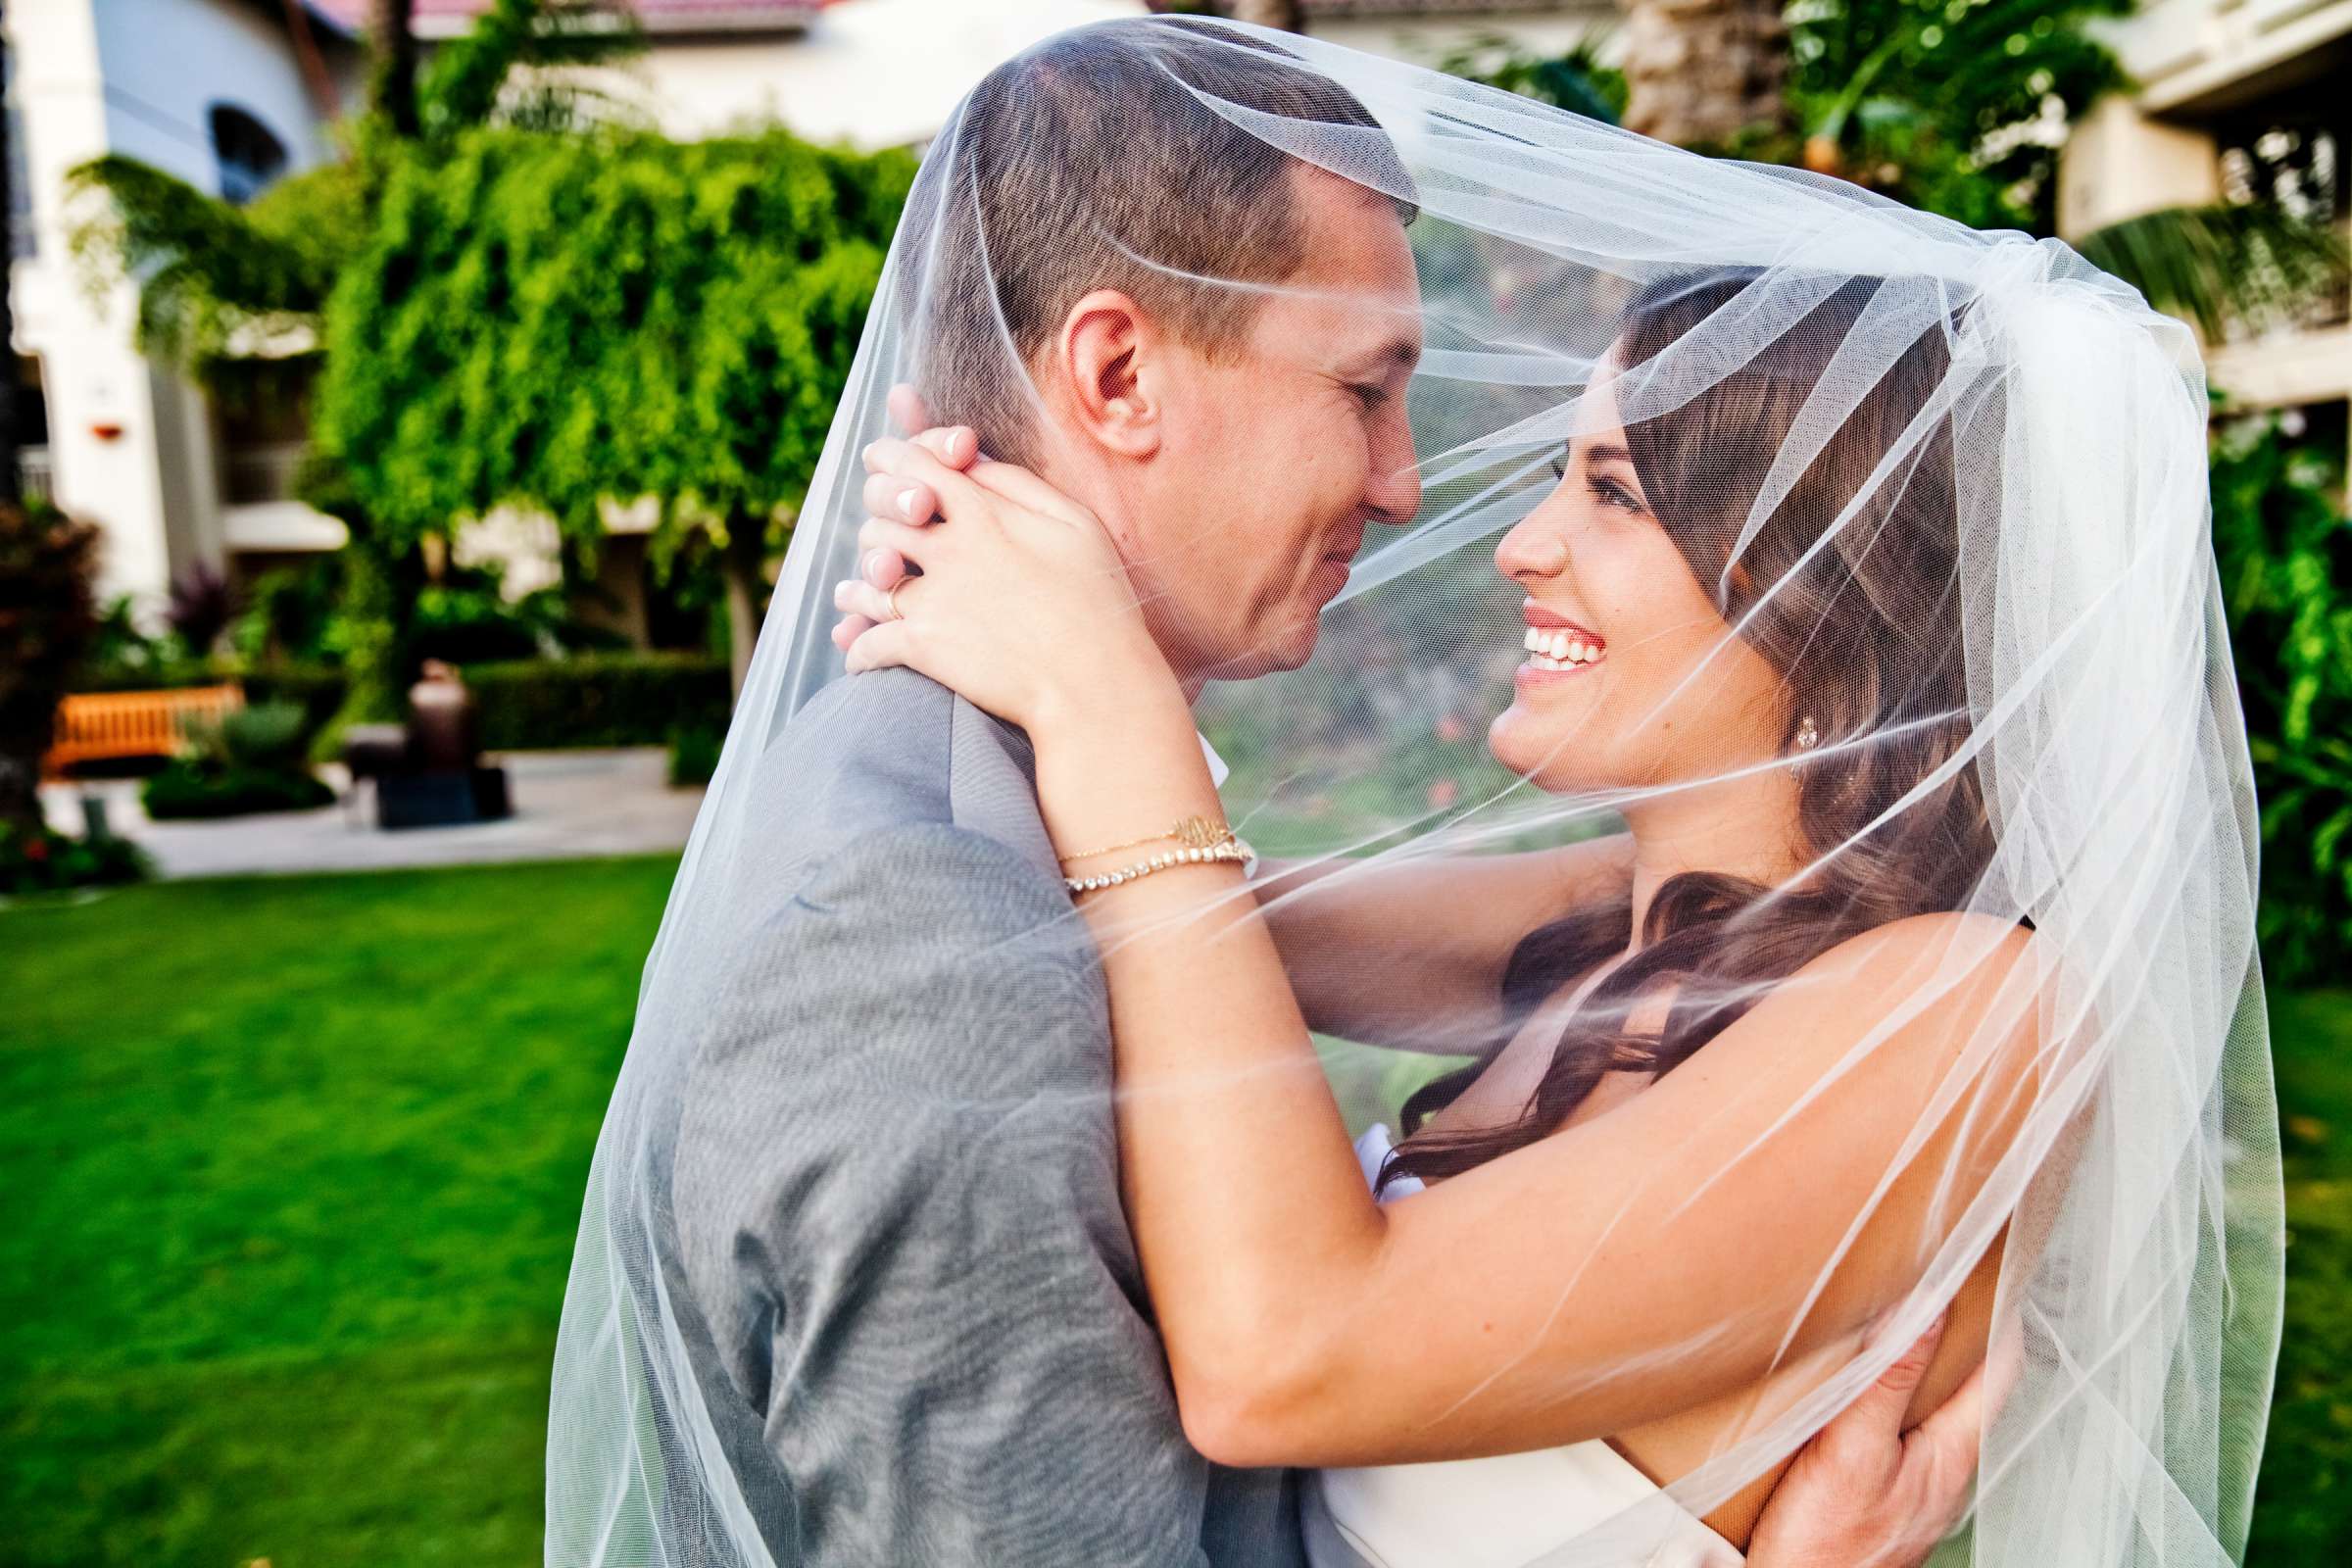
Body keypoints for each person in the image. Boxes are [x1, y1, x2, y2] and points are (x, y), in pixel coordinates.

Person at [546, 19, 2278, 1568]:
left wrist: (1101, 694)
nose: (1493, 533)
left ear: (1823, 586)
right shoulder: (1656, 927)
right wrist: (1026, 622)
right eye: (1373, 395)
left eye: (1610, 490)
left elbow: (1283, 1353)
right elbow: (1213, 926)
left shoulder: (1964, 1005)